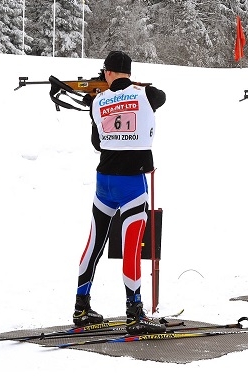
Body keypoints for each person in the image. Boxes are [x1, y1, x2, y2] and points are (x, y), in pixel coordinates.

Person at [72, 51, 167, 335]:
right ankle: (134, 313)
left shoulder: (98, 101)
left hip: (104, 182)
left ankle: (81, 307)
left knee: (94, 244)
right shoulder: (146, 95)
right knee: (131, 250)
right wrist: (132, 87)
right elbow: (161, 95)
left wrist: (103, 94)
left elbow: (97, 143)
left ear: (109, 72)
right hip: (132, 184)